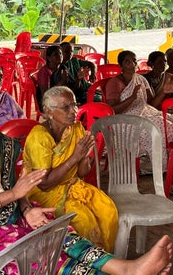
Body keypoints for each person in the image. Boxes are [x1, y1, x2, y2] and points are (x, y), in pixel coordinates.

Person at [0, 90, 173, 275]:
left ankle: (124, 268)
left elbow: (15, 190)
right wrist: (14, 196)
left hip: (9, 214)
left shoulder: (4, 144)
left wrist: (27, 209)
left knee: (58, 231)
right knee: (37, 252)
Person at [23, 86, 118, 250]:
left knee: (108, 211)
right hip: (43, 193)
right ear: (49, 111)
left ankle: (105, 262)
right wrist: (75, 156)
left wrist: (84, 156)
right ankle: (85, 265)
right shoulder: (39, 136)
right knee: (83, 220)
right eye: (66, 107)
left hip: (73, 185)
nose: (74, 111)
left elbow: (82, 173)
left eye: (74, 105)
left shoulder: (76, 128)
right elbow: (44, 184)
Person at [105, 50, 173, 192]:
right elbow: (112, 111)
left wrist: (164, 92)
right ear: (121, 65)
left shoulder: (141, 79)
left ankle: (166, 163)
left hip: (145, 112)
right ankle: (160, 168)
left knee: (172, 120)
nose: (132, 64)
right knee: (158, 127)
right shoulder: (114, 83)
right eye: (128, 62)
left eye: (134, 61)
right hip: (125, 121)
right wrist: (131, 98)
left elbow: (152, 103)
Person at [36, 45, 67, 110]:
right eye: (56, 54)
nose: (60, 56)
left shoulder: (62, 68)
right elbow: (46, 95)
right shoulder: (44, 72)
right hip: (48, 104)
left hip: (60, 98)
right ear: (49, 58)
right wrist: (62, 81)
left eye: (60, 53)